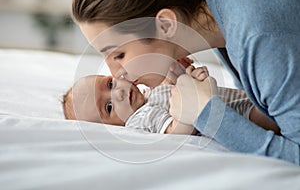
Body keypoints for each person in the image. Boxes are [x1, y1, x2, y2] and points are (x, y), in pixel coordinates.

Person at [71, 0, 300, 165]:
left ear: (165, 24)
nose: (116, 73)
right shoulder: (224, 16)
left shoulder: (257, 37)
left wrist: (205, 112)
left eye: (119, 54)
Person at [63, 62, 279, 135]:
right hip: (239, 117)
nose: (117, 93)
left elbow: (167, 89)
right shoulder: (140, 118)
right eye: (108, 107)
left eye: (109, 84)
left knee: (268, 94)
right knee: (272, 112)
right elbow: (176, 131)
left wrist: (175, 71)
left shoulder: (147, 96)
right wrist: (191, 93)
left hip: (237, 100)